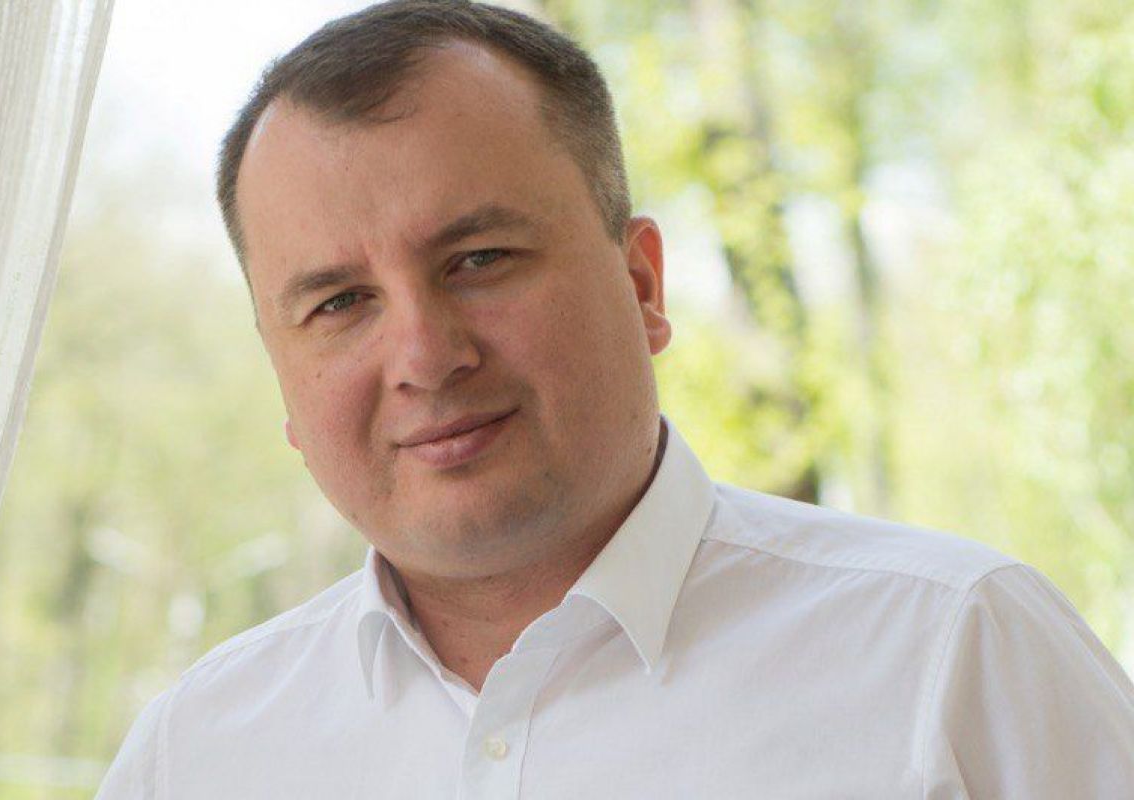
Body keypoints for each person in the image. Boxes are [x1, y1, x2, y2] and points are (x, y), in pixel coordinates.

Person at [96, 1, 1134, 797]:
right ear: (282, 379)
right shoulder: (194, 756)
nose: (425, 355)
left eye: (479, 258)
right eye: (339, 303)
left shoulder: (956, 654)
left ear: (642, 284)